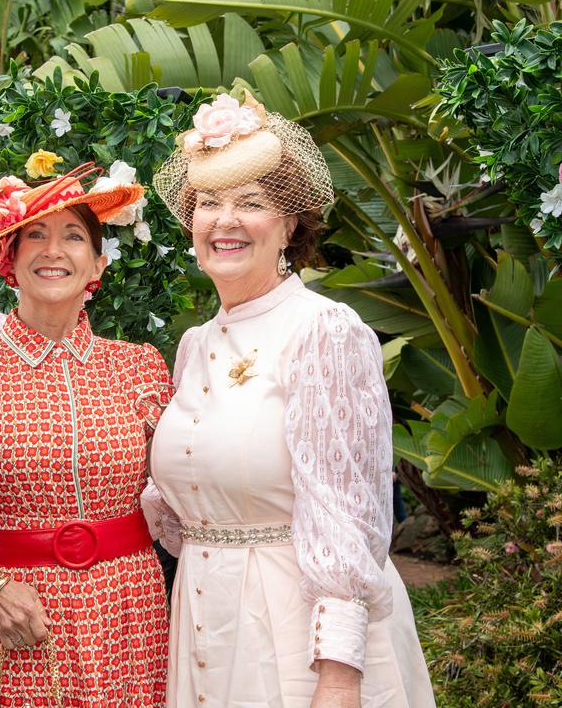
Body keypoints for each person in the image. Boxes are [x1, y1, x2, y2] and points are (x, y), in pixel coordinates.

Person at [142, 93, 436, 707]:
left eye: (251, 203)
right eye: (208, 203)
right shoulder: (194, 345)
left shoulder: (324, 330)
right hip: (205, 621)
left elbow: (348, 511)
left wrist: (339, 673)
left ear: (291, 224)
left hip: (297, 633)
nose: (224, 220)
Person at [0, 167, 172, 707]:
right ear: (9, 260)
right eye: (36, 236)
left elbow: (190, 483)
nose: (55, 250)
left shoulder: (139, 366)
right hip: (16, 613)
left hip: (130, 609)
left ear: (97, 264)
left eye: (74, 236)